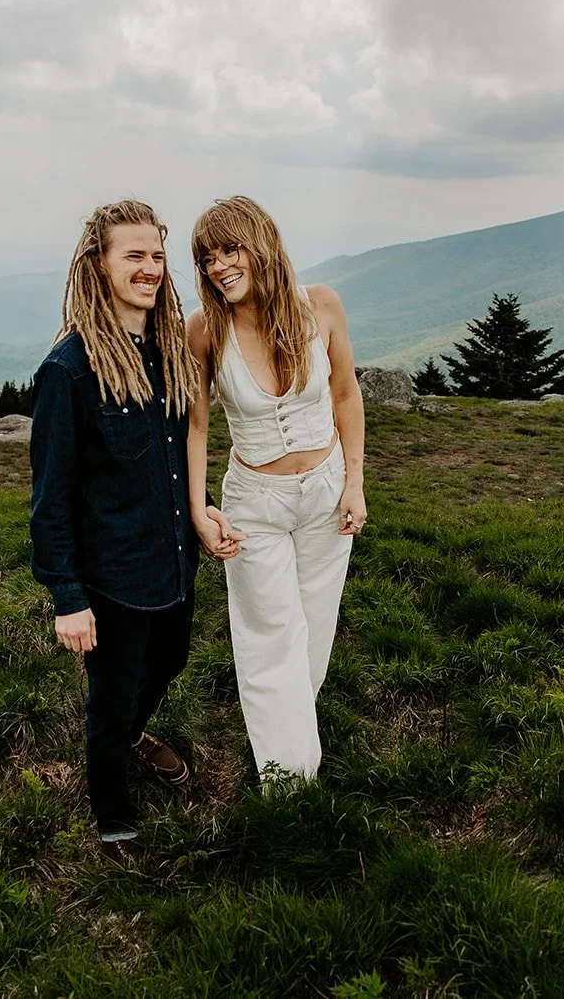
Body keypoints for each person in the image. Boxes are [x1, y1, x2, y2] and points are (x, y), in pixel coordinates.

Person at [29, 198, 238, 859]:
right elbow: (51, 497)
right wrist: (68, 595)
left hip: (173, 558)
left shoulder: (168, 349)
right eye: (133, 256)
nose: (149, 269)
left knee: (171, 659)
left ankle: (129, 739)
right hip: (114, 575)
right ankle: (115, 821)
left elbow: (179, 454)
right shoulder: (69, 369)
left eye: (156, 256)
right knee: (110, 700)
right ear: (99, 264)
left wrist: (201, 513)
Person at [185, 195, 367, 782]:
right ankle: (289, 784)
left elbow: (345, 395)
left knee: (313, 629)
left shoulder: (322, 307)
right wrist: (197, 509)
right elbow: (196, 424)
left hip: (326, 492)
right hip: (254, 503)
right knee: (269, 635)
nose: (219, 266)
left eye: (230, 249)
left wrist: (355, 484)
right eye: (208, 257)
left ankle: (291, 744)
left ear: (261, 243)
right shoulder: (205, 329)